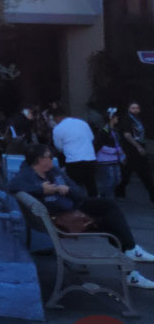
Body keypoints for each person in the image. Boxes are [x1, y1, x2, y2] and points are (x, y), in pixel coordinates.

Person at [11, 144, 154, 288]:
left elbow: (79, 192)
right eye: (49, 156)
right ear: (39, 160)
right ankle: (131, 263)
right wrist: (42, 190)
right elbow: (11, 186)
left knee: (109, 208)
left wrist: (67, 190)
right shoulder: (27, 175)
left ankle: (131, 255)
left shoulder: (54, 172)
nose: (52, 158)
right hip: (65, 220)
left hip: (75, 207)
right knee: (111, 223)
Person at [51, 107, 98, 197]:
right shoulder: (82, 123)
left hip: (73, 161)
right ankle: (95, 205)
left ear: (56, 118)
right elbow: (91, 138)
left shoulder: (58, 128)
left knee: (76, 185)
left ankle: (79, 206)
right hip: (90, 158)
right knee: (91, 184)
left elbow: (59, 147)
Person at [116, 100, 154, 203]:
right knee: (126, 175)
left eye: (137, 108)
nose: (135, 110)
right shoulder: (127, 119)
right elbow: (127, 135)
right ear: (129, 109)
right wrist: (138, 147)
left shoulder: (138, 119)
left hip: (138, 150)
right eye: (133, 108)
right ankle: (119, 192)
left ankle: (152, 196)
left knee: (146, 174)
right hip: (130, 150)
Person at [94, 108, 127, 200]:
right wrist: (114, 151)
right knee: (110, 181)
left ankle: (104, 196)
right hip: (105, 160)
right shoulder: (104, 131)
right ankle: (108, 200)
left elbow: (117, 144)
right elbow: (99, 145)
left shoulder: (114, 130)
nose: (117, 118)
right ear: (111, 118)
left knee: (117, 180)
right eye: (115, 116)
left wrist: (122, 156)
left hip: (114, 159)